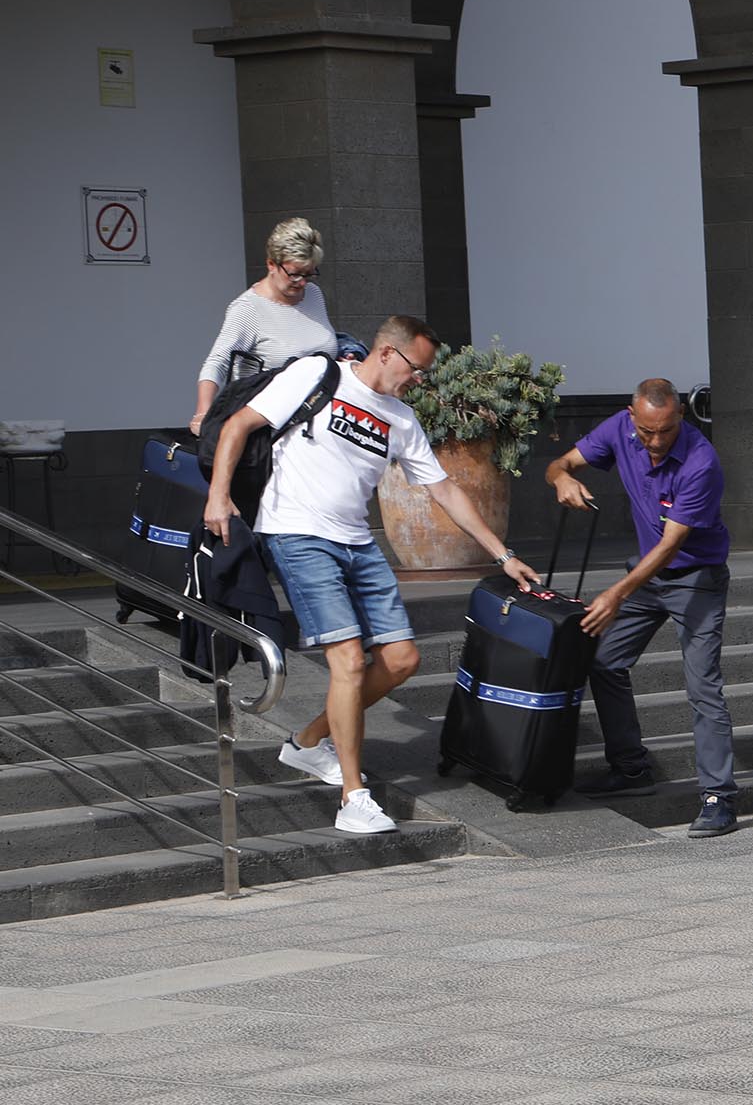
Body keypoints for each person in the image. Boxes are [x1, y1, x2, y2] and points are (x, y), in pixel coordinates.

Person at [203, 315, 536, 836]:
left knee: (402, 660)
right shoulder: (320, 375)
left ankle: (309, 743)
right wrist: (219, 495)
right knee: (350, 662)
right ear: (386, 352)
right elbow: (240, 423)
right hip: (297, 534)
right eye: (415, 369)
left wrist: (502, 554)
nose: (418, 380)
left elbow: (444, 489)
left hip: (357, 542)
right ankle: (353, 797)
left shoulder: (401, 418)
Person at [545, 378, 741, 837]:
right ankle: (631, 769)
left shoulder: (701, 461)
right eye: (647, 432)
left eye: (666, 432)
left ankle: (719, 798)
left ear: (681, 419)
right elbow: (562, 461)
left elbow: (671, 546)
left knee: (703, 686)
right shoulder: (619, 429)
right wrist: (561, 477)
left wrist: (616, 593)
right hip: (647, 578)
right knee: (603, 660)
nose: (655, 442)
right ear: (633, 418)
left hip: (697, 580)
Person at [190, 218, 363, 434]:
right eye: (294, 273)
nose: (302, 282)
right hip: (270, 430)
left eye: (309, 273)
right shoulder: (248, 308)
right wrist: (203, 413)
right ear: (271, 264)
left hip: (318, 426)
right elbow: (218, 361)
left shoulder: (314, 295)